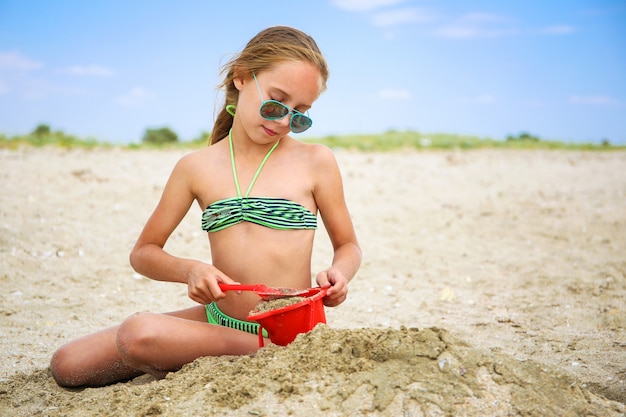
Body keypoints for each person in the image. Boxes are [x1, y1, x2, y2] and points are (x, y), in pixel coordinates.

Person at [49, 26, 361, 387]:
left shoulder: (316, 162)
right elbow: (144, 253)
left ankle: (271, 351)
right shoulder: (195, 167)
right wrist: (191, 270)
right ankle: (216, 350)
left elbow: (348, 246)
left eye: (300, 115)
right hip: (219, 319)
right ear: (242, 78)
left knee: (137, 334)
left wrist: (340, 273)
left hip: (289, 325)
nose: (283, 121)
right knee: (68, 365)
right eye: (276, 102)